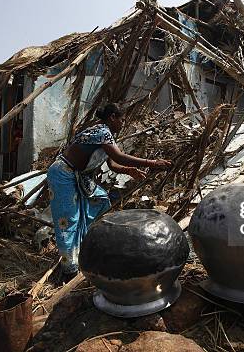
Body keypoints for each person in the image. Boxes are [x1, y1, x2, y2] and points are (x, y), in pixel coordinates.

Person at [47, 103, 171, 276]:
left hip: (78, 176)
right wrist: (151, 163)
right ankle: (69, 269)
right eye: (122, 119)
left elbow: (112, 163)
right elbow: (119, 157)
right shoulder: (101, 131)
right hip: (63, 174)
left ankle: (83, 248)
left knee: (101, 200)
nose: (123, 123)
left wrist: (128, 170)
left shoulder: (108, 136)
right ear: (112, 117)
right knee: (68, 220)